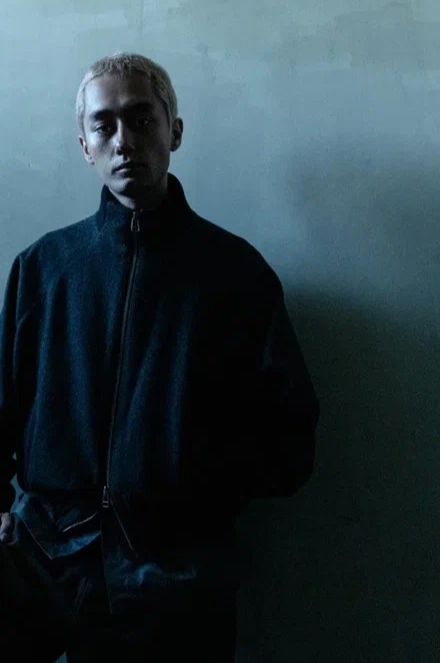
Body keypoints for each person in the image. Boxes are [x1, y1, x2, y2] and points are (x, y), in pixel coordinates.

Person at [0, 52, 319, 662]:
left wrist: (192, 488)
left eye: (142, 120)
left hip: (179, 580)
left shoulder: (235, 274)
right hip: (43, 566)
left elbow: (291, 437)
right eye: (104, 125)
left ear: (174, 131)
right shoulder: (43, 269)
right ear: (84, 145)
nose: (124, 141)